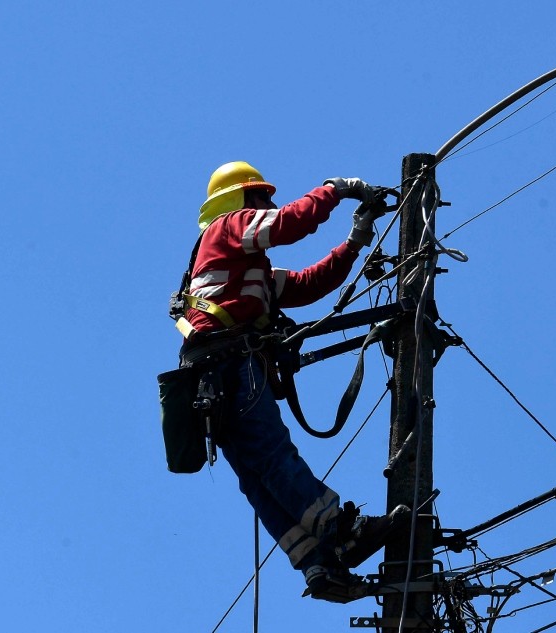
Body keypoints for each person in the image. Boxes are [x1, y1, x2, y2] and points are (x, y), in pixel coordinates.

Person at [175, 161, 408, 600]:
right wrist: (336, 188)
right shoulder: (229, 227)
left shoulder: (241, 266)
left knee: (258, 477)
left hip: (208, 381)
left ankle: (318, 565)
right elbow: (289, 223)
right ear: (239, 199)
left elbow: (306, 285)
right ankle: (344, 530)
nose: (270, 204)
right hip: (229, 365)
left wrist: (356, 240)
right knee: (271, 456)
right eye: (262, 196)